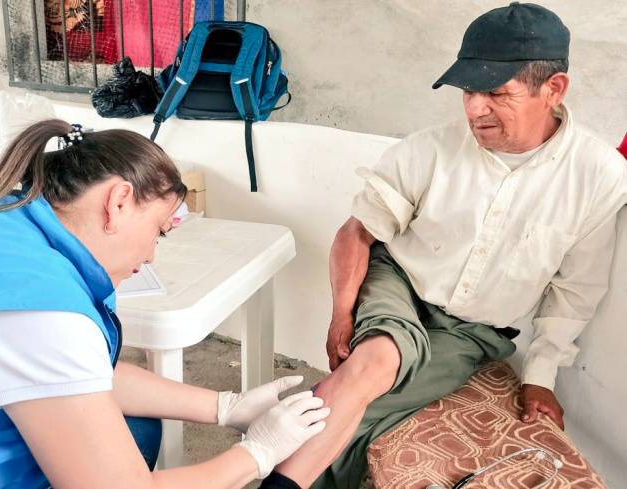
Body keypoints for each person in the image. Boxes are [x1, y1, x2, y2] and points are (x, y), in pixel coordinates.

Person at [259, 3, 627, 489]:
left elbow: (575, 290)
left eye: (496, 92)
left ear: (553, 89)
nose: (476, 108)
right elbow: (358, 232)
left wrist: (540, 375)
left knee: (370, 409)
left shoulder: (600, 177)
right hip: (400, 284)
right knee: (377, 359)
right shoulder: (430, 149)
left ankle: (268, 465)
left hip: (473, 331)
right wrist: (342, 315)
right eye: (469, 90)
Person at [0, 120, 330, 488]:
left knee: (138, 428)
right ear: (119, 201)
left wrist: (225, 406)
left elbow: (78, 374)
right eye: (159, 231)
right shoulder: (37, 311)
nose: (153, 255)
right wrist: (255, 455)